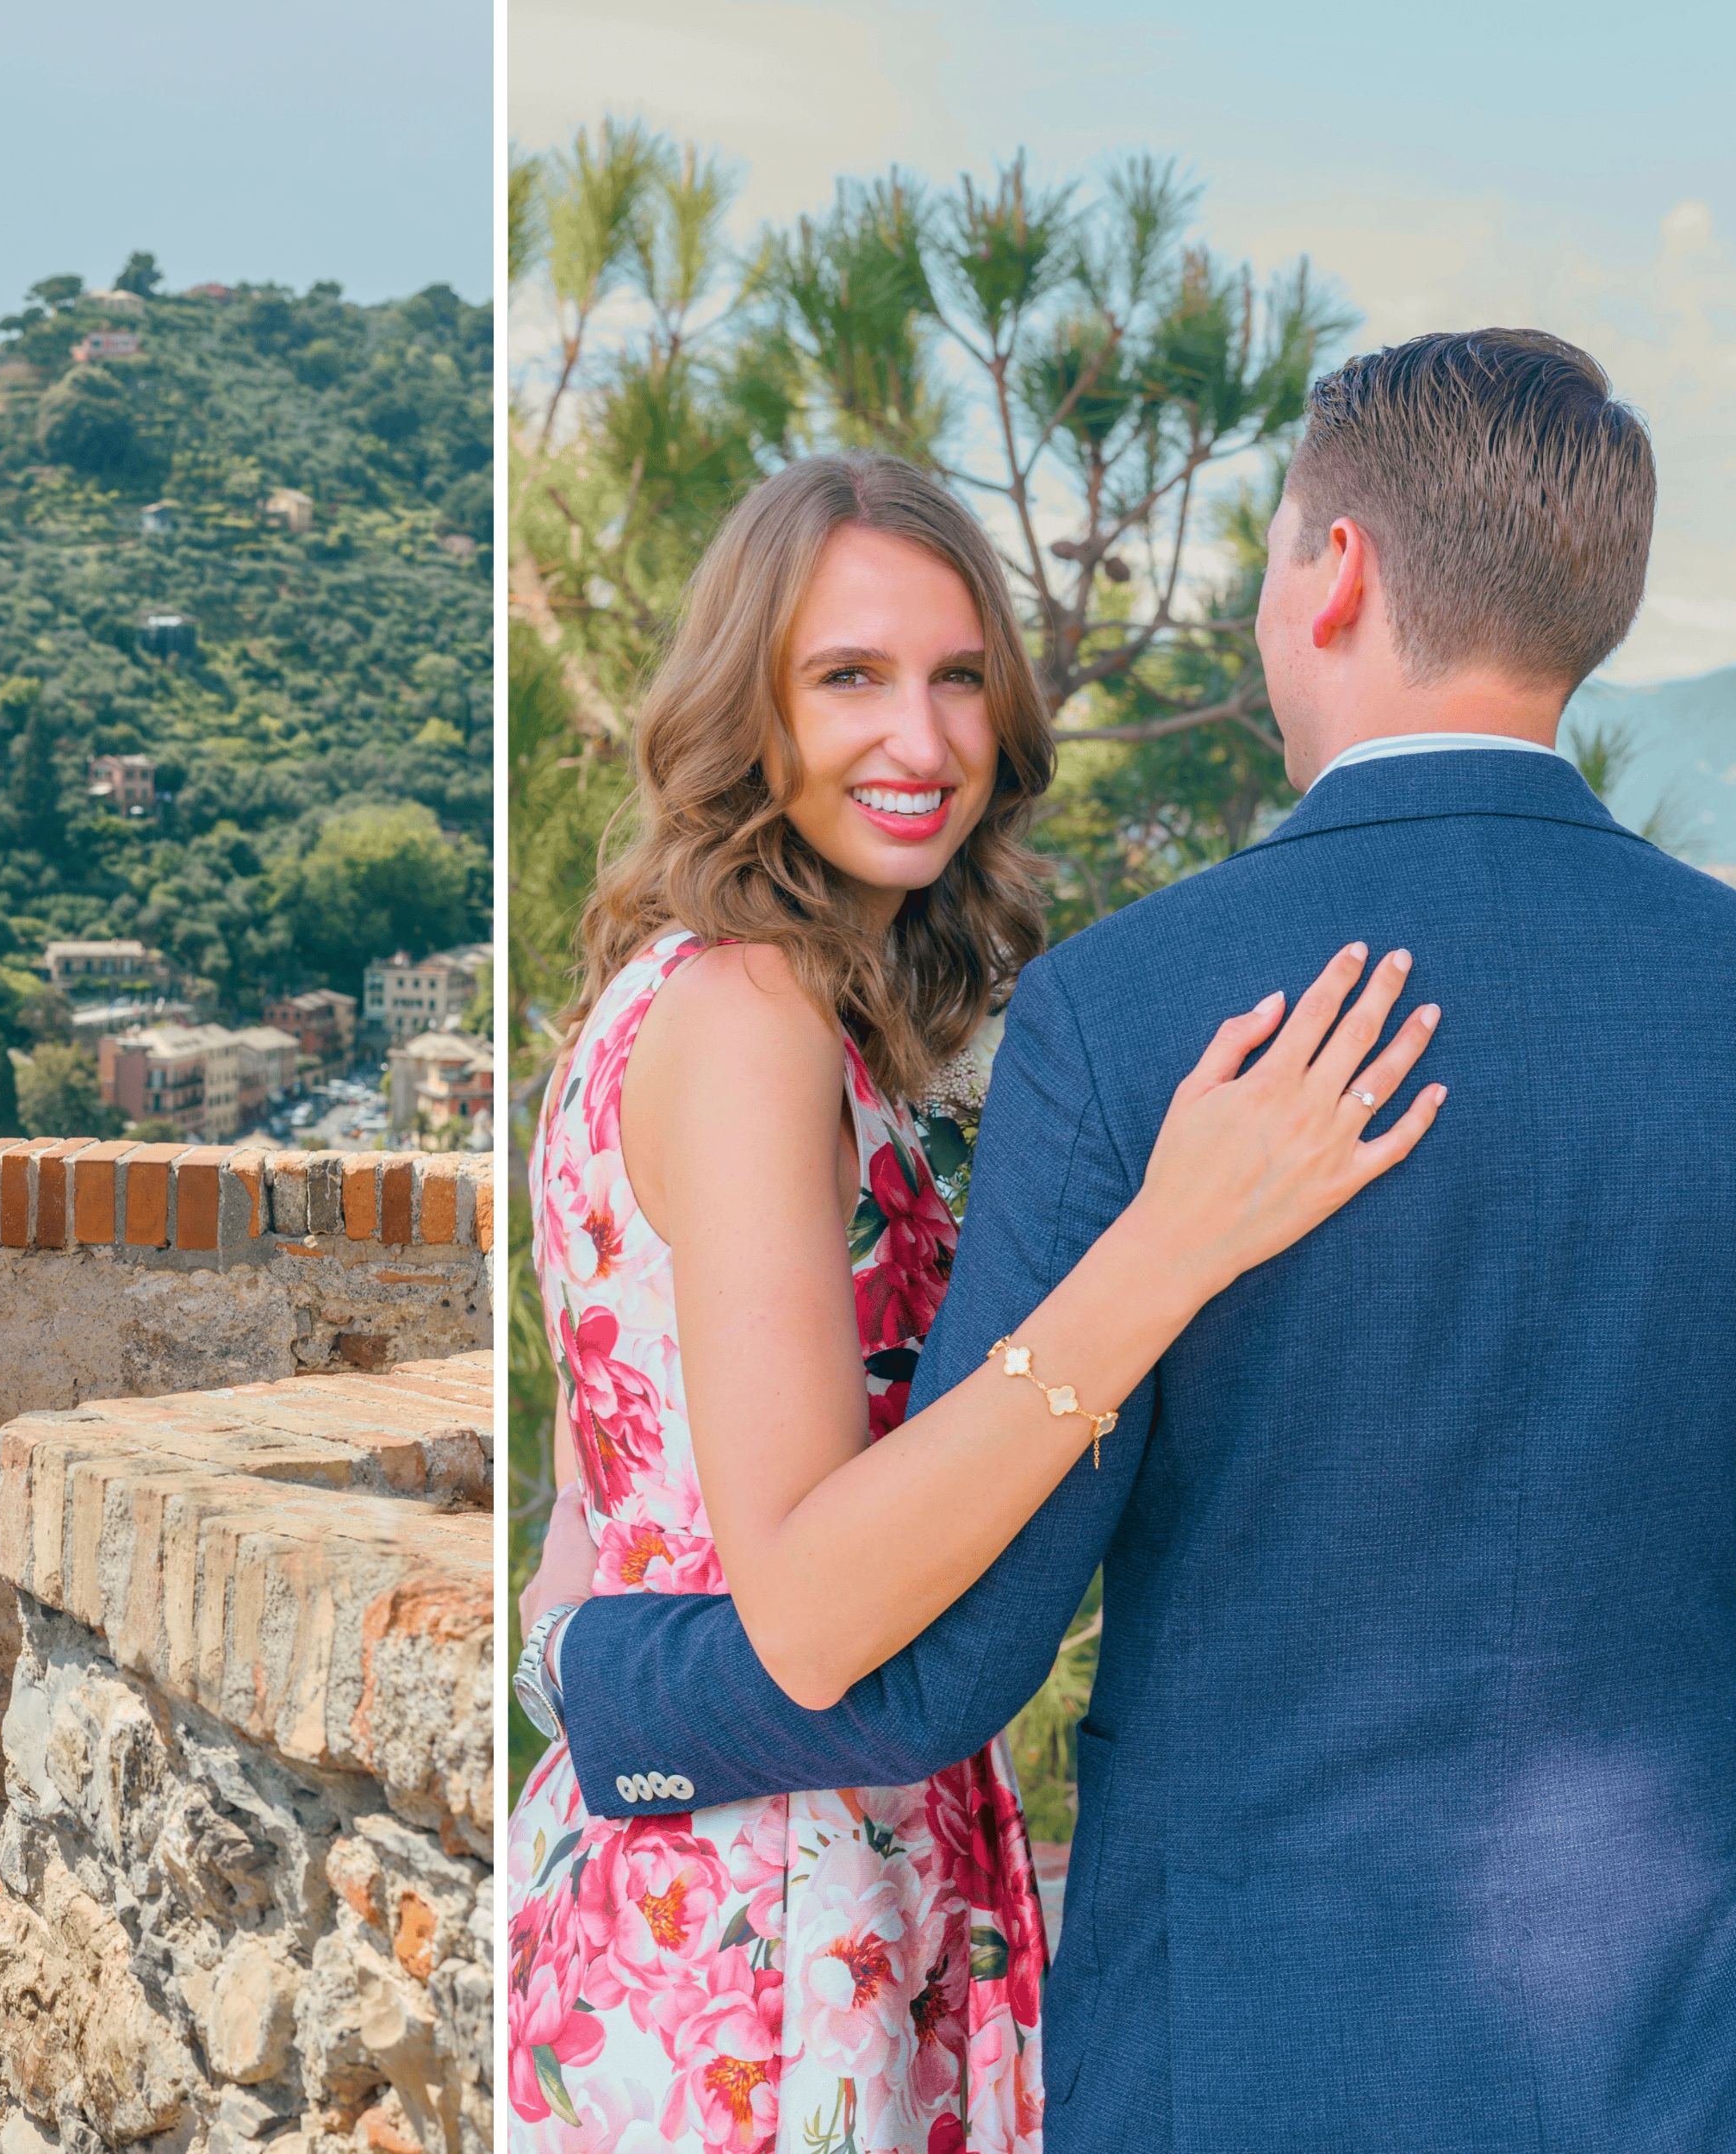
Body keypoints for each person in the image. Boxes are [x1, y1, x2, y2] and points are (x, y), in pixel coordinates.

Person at [535, 333, 1736, 2151]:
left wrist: (593, 1675)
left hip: (1237, 2056)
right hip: (1707, 2051)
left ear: (1330, 573)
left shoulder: (1136, 1011)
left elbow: (942, 1658)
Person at [504, 450, 1443, 2154]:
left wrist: (577, 1649)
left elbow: (595, 1505)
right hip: (767, 1913)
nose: (919, 741)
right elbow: (797, 1604)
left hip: (724, 1839)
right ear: (747, 706)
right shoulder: (746, 1024)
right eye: (847, 676)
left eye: (954, 678)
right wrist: (1172, 1243)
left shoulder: (720, 1002)